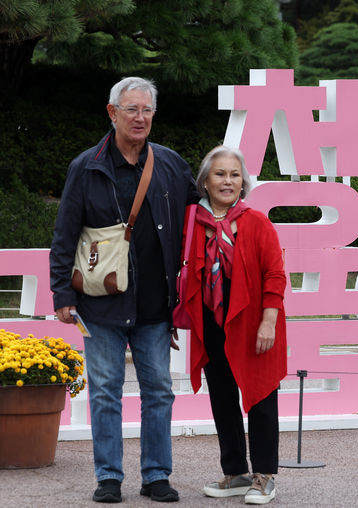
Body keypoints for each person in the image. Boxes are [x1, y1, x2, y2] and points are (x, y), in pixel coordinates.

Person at [50, 77, 198, 503]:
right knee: (104, 391)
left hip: (155, 305)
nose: (140, 117)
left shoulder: (170, 164)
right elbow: (64, 235)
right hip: (100, 303)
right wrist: (63, 294)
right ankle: (109, 477)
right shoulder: (87, 166)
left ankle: (155, 476)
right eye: (131, 109)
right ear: (112, 113)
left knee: (159, 391)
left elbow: (199, 218)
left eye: (147, 110)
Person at [182, 145, 287, 505]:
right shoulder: (192, 222)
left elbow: (275, 274)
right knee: (222, 397)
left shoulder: (256, 222)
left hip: (254, 324)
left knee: (260, 397)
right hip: (211, 323)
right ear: (205, 182)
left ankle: (264, 476)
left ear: (243, 182)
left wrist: (268, 322)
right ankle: (236, 473)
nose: (228, 181)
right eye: (220, 174)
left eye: (234, 174)